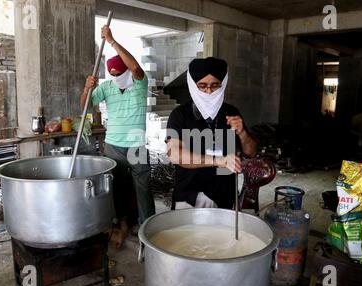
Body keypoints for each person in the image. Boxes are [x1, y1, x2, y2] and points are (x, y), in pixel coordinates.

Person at [81, 25, 155, 248]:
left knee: (143, 186)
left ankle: (148, 227)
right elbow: (84, 106)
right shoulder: (107, 87)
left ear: (126, 72)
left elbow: (135, 66)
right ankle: (122, 224)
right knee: (119, 187)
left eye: (118, 74)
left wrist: (111, 41)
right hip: (113, 144)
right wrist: (86, 89)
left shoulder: (139, 84)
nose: (115, 78)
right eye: (111, 75)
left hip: (136, 145)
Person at [166, 57, 257, 210]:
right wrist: (218, 160)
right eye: (202, 86)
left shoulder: (231, 112)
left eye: (215, 86)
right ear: (193, 86)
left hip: (224, 194)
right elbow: (174, 154)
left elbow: (251, 152)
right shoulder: (180, 115)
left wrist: (242, 133)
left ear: (223, 84)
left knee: (222, 233)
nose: (209, 92)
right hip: (189, 194)